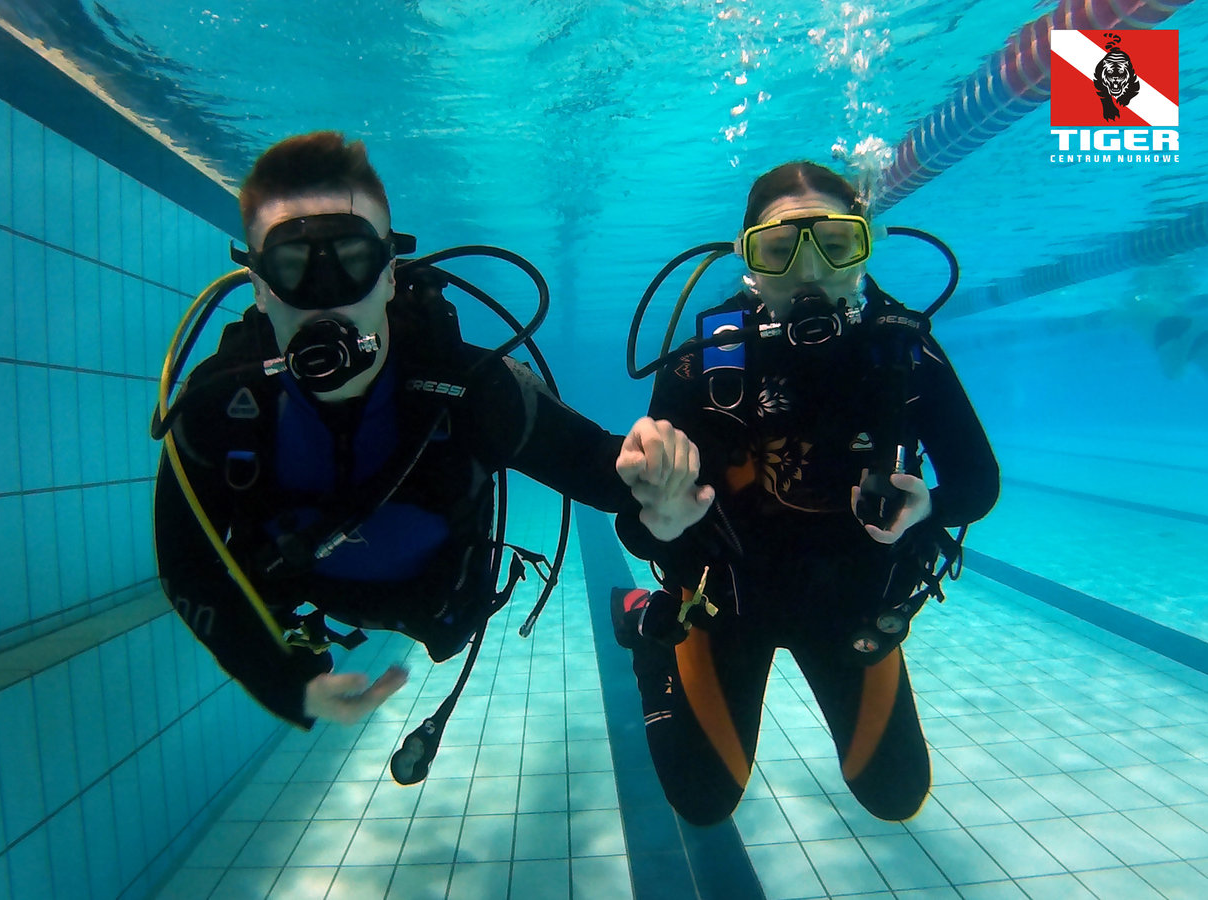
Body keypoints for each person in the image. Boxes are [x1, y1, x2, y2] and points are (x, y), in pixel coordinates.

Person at [154, 131, 711, 737]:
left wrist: (658, 488)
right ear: (260, 287)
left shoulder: (473, 388)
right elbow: (186, 569)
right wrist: (281, 681)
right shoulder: (219, 408)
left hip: (437, 600)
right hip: (304, 597)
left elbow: (607, 473)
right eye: (292, 266)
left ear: (390, 274)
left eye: (352, 260)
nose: (325, 299)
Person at [613, 161, 1000, 826]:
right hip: (725, 604)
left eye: (836, 244)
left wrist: (928, 506)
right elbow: (635, 527)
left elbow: (977, 483)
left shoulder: (903, 352)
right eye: (779, 249)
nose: (810, 270)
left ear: (864, 251)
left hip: (853, 607)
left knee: (896, 795)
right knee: (703, 802)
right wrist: (663, 521)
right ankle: (648, 632)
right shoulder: (701, 366)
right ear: (749, 265)